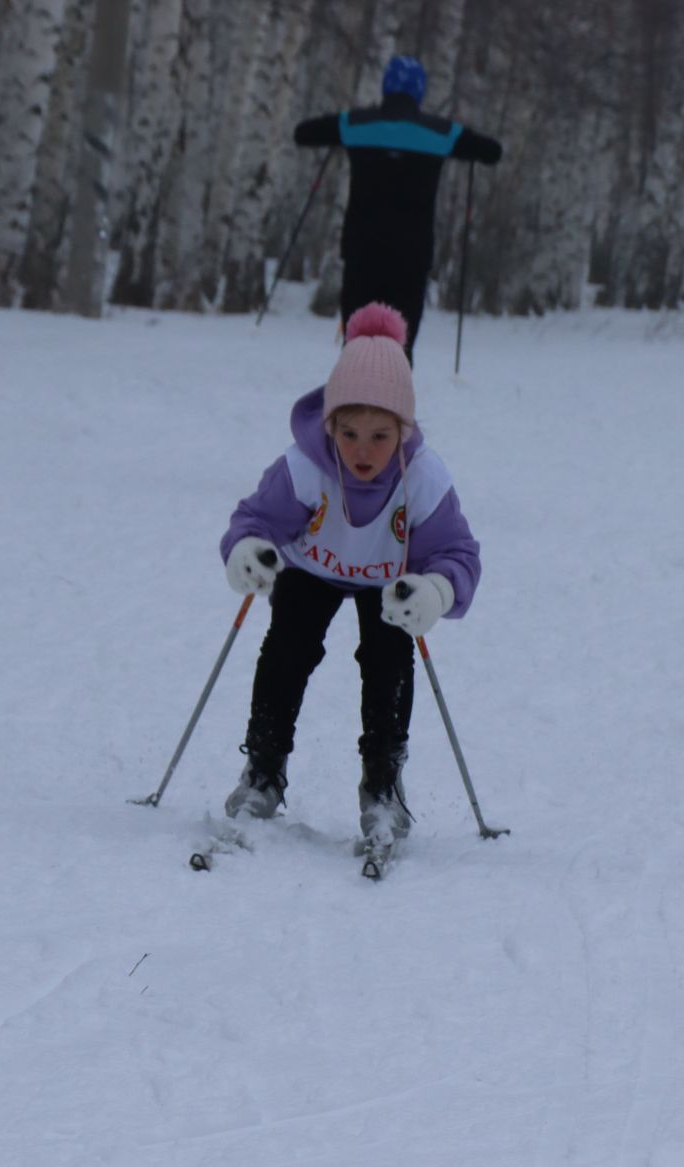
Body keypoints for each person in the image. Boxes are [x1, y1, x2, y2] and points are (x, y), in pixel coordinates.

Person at [219, 302, 482, 842]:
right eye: (350, 433)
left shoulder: (423, 479)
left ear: (404, 431)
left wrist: (434, 591)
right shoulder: (303, 467)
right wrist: (248, 551)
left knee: (388, 658)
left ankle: (383, 784)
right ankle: (263, 769)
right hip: (310, 569)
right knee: (288, 649)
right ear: (330, 424)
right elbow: (257, 520)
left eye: (381, 436)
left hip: (388, 582)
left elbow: (457, 555)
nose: (363, 450)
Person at [293, 56, 503, 358]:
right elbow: (492, 152)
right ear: (420, 91)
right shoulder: (441, 134)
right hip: (411, 257)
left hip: (361, 252)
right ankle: (393, 397)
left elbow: (303, 133)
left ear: (386, 86)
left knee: (355, 343)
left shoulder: (354, 124)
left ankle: (351, 396)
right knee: (400, 347)